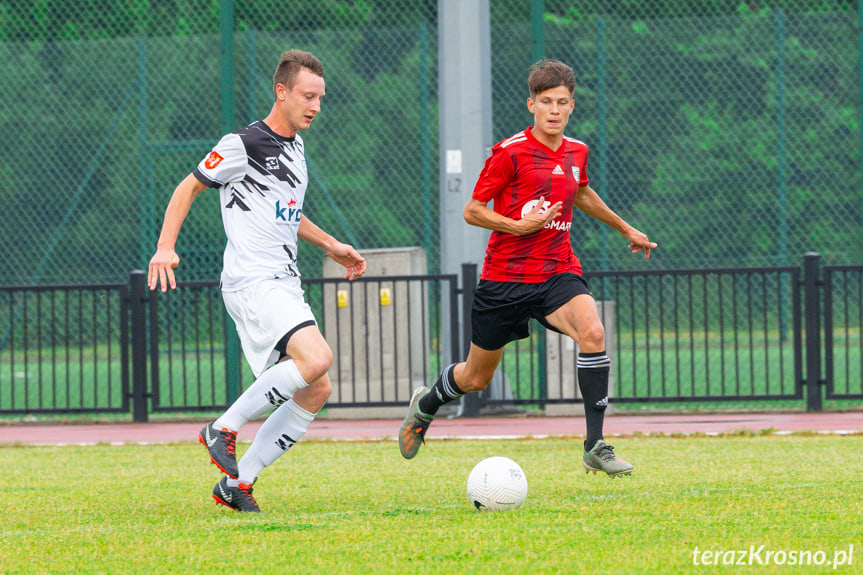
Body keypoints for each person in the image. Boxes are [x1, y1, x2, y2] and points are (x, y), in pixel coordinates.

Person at [399, 59, 656, 477]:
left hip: (557, 271)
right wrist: (519, 226)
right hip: (504, 280)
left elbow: (582, 192)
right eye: (546, 102)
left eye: (562, 102)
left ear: (572, 106)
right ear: (531, 104)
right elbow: (472, 211)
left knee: (592, 332)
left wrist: (627, 228)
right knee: (476, 377)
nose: (554, 110)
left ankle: (595, 444)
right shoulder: (510, 153)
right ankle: (427, 405)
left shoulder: (577, 152)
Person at [148, 50, 366, 512]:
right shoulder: (241, 143)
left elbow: (287, 212)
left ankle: (238, 483)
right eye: (308, 96)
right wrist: (166, 246)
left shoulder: (296, 147)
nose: (316, 106)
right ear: (281, 92)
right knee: (318, 357)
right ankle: (221, 429)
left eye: (321, 98)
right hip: (252, 279)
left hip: (284, 280)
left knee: (317, 386)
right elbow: (187, 186)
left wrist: (330, 244)